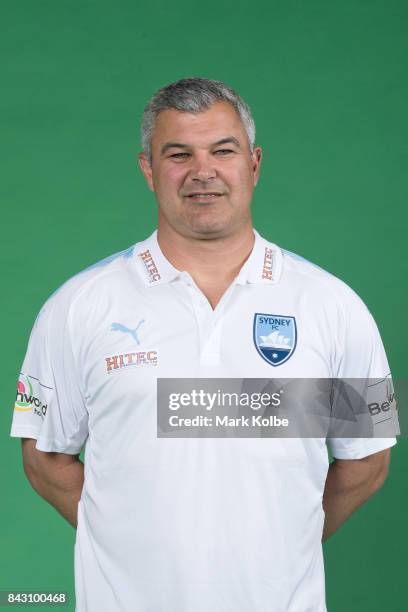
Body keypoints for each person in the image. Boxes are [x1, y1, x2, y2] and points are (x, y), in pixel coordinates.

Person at [11, 77, 397, 612]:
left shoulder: (336, 306)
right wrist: (128, 538)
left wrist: (280, 544)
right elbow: (45, 456)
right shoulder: (78, 306)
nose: (203, 172)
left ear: (254, 163)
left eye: (223, 150)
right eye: (178, 154)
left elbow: (368, 460)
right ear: (148, 169)